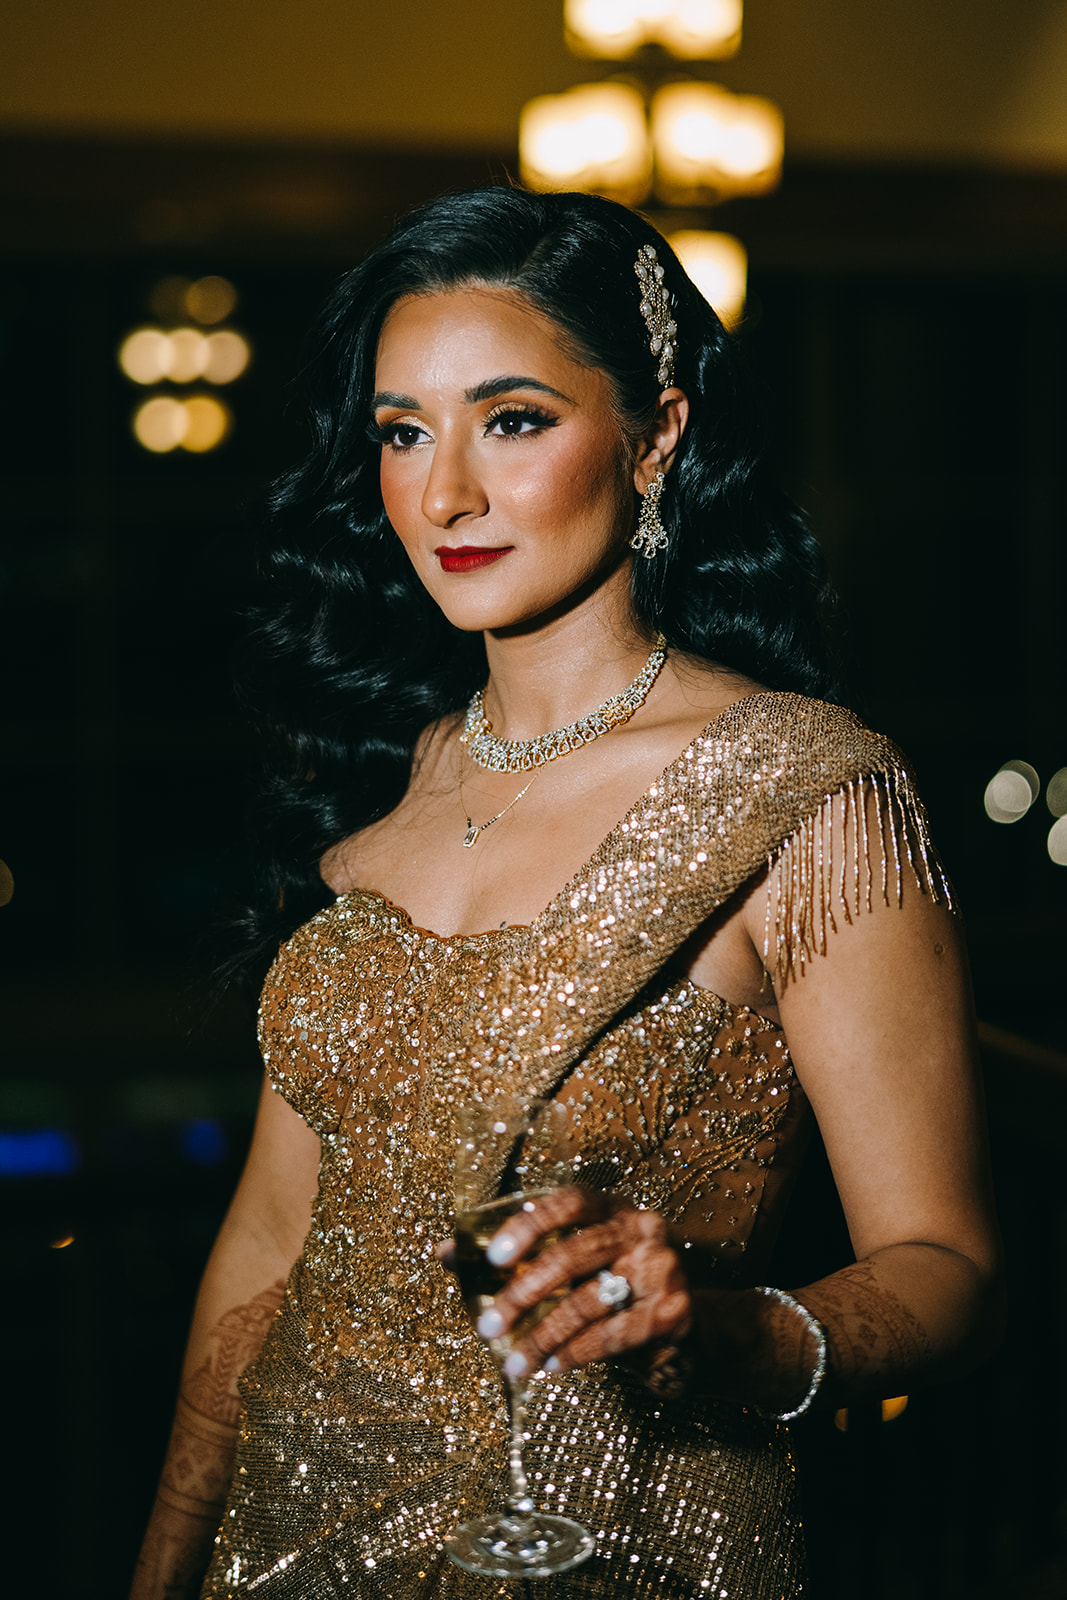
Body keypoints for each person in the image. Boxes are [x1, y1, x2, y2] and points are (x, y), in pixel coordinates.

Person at [130, 186, 1003, 1599]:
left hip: (616, 1550)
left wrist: (718, 1334)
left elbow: (950, 1267)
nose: (445, 492)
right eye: (402, 432)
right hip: (285, 1547)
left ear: (655, 434)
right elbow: (271, 1245)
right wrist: (165, 1564)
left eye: (514, 419)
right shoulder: (381, 777)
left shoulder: (809, 790)